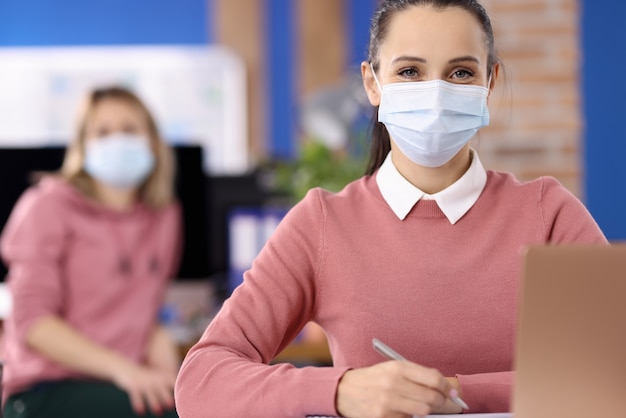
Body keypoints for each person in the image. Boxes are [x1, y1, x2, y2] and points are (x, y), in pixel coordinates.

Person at [175, 0, 607, 417]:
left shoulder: (548, 214)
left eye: (460, 72)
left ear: (489, 83)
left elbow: (609, 372)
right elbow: (200, 382)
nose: (435, 94)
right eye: (409, 71)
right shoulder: (323, 224)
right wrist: (341, 390)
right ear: (372, 83)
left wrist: (455, 392)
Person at [1, 86, 182, 418]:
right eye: (102, 131)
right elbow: (33, 324)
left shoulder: (163, 216)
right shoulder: (46, 206)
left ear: (153, 142)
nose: (117, 141)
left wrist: (157, 341)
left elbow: (142, 303)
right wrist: (124, 370)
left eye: (130, 129)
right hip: (48, 389)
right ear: (83, 146)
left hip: (122, 382)